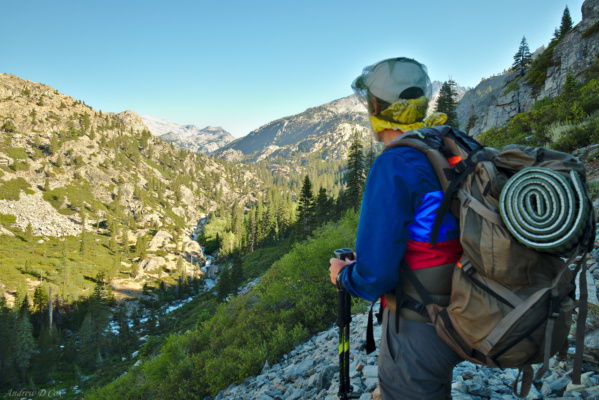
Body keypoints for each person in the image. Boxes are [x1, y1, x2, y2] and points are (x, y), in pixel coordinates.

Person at [329, 57, 463, 400]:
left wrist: (345, 275)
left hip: (418, 320)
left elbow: (375, 278)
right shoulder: (444, 143)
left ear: (376, 107)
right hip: (462, 303)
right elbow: (434, 228)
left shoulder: (395, 163)